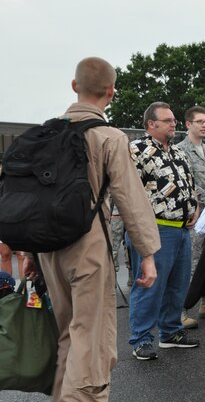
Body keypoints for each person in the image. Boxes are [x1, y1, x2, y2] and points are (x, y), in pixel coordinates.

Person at [23, 57, 160, 401]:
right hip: (88, 247)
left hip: (47, 247)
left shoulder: (46, 132)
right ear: (111, 92)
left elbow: (32, 197)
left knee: (68, 333)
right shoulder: (109, 137)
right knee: (92, 336)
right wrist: (147, 254)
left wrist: (28, 253)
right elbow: (131, 199)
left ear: (74, 86)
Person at [128, 101, 200, 360]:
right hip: (155, 229)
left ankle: (171, 332)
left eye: (174, 120)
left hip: (181, 229)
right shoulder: (137, 150)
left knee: (177, 285)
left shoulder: (179, 152)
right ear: (151, 124)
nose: (174, 124)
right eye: (168, 121)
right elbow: (128, 192)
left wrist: (195, 208)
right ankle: (141, 339)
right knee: (150, 285)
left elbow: (190, 185)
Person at [176, 105, 205, 324]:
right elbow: (187, 184)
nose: (204, 125)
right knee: (191, 262)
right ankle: (180, 311)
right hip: (196, 212)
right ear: (188, 124)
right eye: (200, 122)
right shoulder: (181, 150)